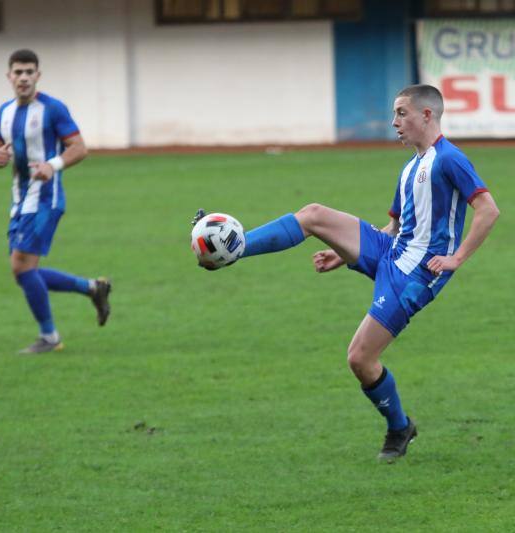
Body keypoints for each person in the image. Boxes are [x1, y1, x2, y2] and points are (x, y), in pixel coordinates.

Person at [193, 84, 499, 462]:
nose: (394, 122)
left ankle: (400, 426)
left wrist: (457, 258)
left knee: (360, 359)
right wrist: (345, 253)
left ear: (427, 115)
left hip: (416, 274)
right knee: (314, 214)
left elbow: (488, 209)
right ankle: (234, 247)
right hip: (393, 251)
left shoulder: (450, 159)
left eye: (401, 113)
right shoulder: (410, 168)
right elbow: (394, 228)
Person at [0, 49, 111, 354]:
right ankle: (92, 288)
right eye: (18, 72)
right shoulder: (3, 111)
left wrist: (52, 165)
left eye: (29, 71)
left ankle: (49, 338)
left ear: (38, 76)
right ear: (9, 77)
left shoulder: (53, 109)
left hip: (46, 200)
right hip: (20, 201)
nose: (24, 77)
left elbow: (79, 147)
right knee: (24, 270)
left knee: (21, 267)